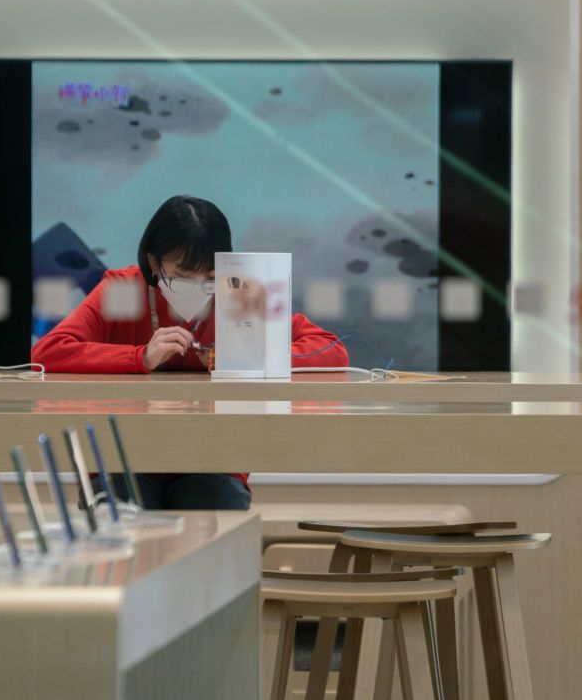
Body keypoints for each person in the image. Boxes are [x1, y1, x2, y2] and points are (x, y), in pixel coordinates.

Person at [31, 195, 349, 509]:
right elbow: (48, 352)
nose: (198, 286)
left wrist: (245, 355)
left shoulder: (239, 293)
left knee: (216, 503)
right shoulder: (123, 290)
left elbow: (332, 350)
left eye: (210, 277)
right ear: (155, 262)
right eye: (184, 275)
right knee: (119, 508)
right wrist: (139, 357)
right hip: (126, 455)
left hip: (215, 459)